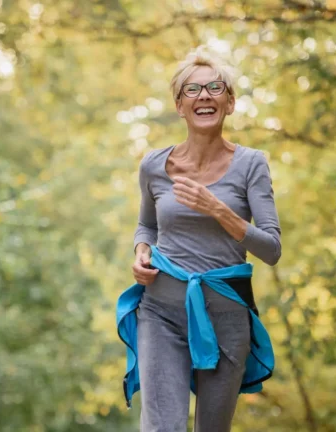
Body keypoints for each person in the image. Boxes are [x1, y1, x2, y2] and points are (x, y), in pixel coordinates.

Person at [116, 49, 282, 432]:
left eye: (214, 87)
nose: (203, 95)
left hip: (226, 318)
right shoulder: (154, 166)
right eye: (192, 89)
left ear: (230, 102)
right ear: (179, 105)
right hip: (160, 312)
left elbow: (271, 249)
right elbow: (146, 227)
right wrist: (141, 252)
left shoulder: (251, 164)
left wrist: (218, 210)